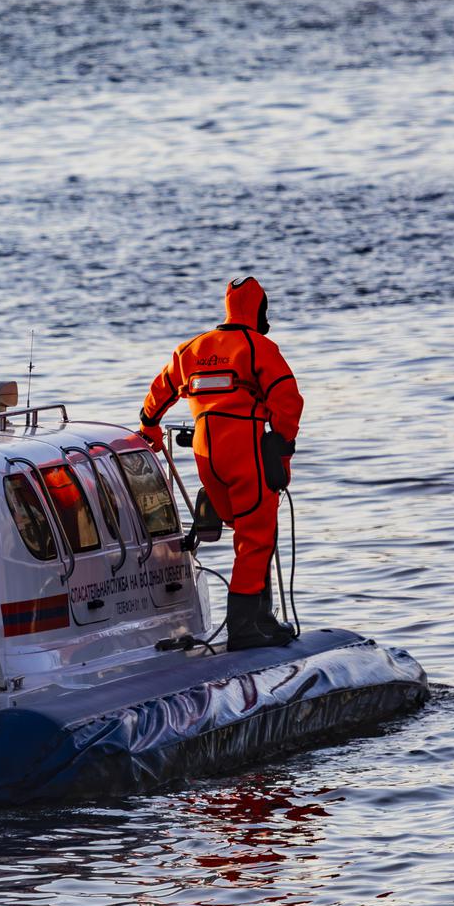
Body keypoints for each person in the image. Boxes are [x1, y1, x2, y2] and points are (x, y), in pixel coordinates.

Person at [138, 276, 304, 650]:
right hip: (244, 447)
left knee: (248, 533)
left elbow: (159, 391)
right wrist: (282, 450)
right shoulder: (257, 346)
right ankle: (246, 628)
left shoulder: (193, 348)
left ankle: (261, 618)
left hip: (205, 455)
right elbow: (288, 399)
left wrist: (148, 426)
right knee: (255, 536)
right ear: (260, 311)